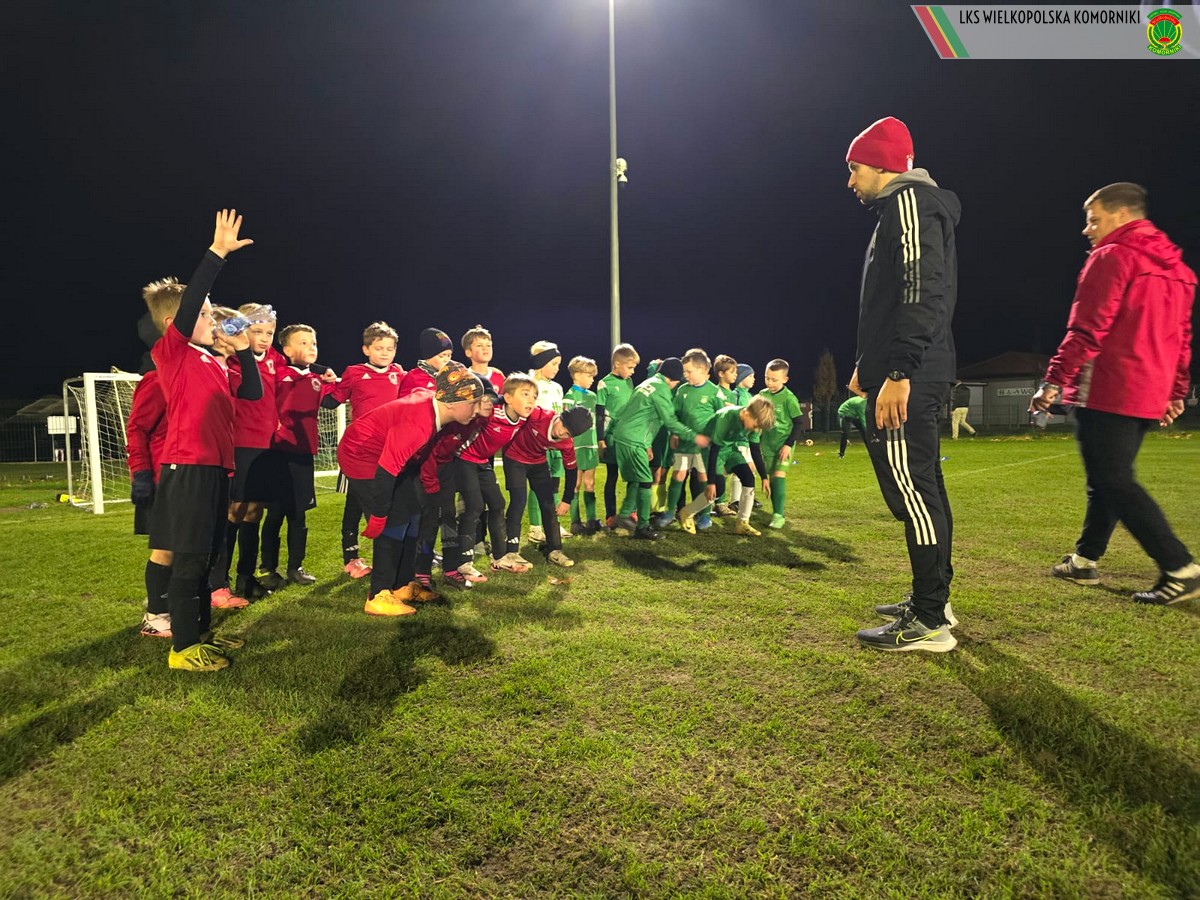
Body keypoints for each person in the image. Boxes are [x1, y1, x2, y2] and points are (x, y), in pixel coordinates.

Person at [1031, 182, 1199, 606]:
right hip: (1149, 391)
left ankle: (1179, 567)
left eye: (1094, 220)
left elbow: (1088, 327)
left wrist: (1053, 380)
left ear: (1122, 215)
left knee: (1113, 480)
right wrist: (1176, 391)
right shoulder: (1179, 270)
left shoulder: (1112, 256)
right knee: (1107, 478)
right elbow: (1182, 337)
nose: (1087, 230)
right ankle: (1084, 560)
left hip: (1109, 386)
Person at [844, 116, 960, 653]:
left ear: (883, 165)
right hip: (908, 369)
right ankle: (934, 600)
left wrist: (898, 372)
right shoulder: (905, 208)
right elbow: (893, 302)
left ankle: (930, 620)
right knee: (924, 487)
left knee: (913, 494)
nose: (850, 180)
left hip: (911, 375)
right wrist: (868, 364)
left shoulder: (909, 203)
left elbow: (920, 290)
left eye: (855, 168)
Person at [149, 209, 259, 672]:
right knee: (190, 560)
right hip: (188, 467)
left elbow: (251, 393)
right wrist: (216, 254)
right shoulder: (173, 352)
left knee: (209, 555)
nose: (214, 320)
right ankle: (182, 647)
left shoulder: (212, 360)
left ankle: (201, 633)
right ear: (176, 321)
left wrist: (245, 352)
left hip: (215, 469)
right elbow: (193, 300)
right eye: (207, 314)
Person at [352, 362, 483, 615]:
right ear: (452, 402)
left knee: (413, 516)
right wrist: (379, 514)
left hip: (387, 458)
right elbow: (386, 471)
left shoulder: (436, 407)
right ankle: (378, 594)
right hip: (362, 456)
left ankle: (402, 585)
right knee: (394, 521)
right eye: (473, 403)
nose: (477, 410)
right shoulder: (418, 422)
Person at [257, 324, 337, 589]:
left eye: (313, 343)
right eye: (302, 343)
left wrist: (327, 375)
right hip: (278, 453)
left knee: (298, 514)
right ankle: (267, 568)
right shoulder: (278, 374)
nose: (310, 347)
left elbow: (332, 399)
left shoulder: (316, 379)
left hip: (304, 454)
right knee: (275, 513)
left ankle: (295, 567)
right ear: (287, 350)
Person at [326, 321, 405, 578]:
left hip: (388, 450)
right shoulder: (354, 372)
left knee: (390, 501)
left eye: (390, 348)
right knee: (355, 504)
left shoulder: (399, 374)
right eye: (379, 348)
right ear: (366, 349)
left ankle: (401, 552)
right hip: (358, 451)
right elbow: (332, 401)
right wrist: (322, 380)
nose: (385, 353)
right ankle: (351, 558)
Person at [443, 373, 537, 585]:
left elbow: (546, 418)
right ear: (508, 398)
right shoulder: (492, 412)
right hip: (463, 459)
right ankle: (463, 562)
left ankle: (499, 558)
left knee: (497, 504)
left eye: (534, 396)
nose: (531, 400)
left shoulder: (525, 417)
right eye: (525, 394)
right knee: (474, 506)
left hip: (483, 462)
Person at [610, 357, 710, 540]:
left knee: (637, 479)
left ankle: (624, 515)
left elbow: (636, 413)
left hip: (625, 437)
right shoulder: (662, 389)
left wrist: (647, 444)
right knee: (646, 480)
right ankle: (642, 526)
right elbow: (670, 421)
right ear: (672, 378)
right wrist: (695, 436)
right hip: (634, 439)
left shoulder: (646, 384)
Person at [127, 278, 177, 638]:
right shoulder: (157, 379)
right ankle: (156, 615)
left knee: (186, 547)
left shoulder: (189, 371)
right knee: (166, 548)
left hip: (187, 475)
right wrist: (142, 475)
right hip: (163, 479)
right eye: (202, 314)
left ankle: (176, 605)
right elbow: (137, 430)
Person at [503, 405, 592, 567]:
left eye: (568, 434)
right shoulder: (537, 415)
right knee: (518, 501)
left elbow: (571, 470)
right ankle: (510, 552)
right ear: (560, 417)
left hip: (538, 462)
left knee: (548, 504)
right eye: (564, 427)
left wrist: (566, 500)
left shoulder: (566, 443)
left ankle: (555, 550)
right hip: (514, 458)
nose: (562, 433)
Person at [677, 397, 775, 536]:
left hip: (730, 450)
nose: (756, 429)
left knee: (749, 478)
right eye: (755, 426)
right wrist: (711, 482)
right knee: (717, 489)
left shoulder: (754, 422)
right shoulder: (726, 417)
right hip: (711, 450)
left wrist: (764, 477)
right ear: (747, 413)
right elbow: (714, 449)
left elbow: (755, 449)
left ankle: (743, 522)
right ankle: (686, 513)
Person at [654, 349, 720, 530]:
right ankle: (670, 512)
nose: (685, 375)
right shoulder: (682, 390)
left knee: (704, 477)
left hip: (704, 446)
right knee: (678, 475)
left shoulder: (714, 392)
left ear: (702, 369)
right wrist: (675, 434)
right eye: (685, 372)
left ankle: (705, 515)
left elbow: (720, 417)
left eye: (689, 371)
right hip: (684, 443)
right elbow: (674, 414)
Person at [756, 359, 805, 529]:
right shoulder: (762, 394)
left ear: (785, 379)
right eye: (767, 378)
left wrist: (788, 444)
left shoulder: (789, 398)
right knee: (772, 479)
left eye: (774, 380)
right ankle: (775, 511)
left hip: (784, 444)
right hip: (767, 444)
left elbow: (799, 422)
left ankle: (779, 515)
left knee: (778, 475)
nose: (770, 383)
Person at [595, 343, 640, 526]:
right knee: (612, 476)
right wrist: (600, 439)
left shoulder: (629, 382)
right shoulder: (604, 383)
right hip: (612, 438)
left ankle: (631, 512)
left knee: (633, 474)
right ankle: (611, 515)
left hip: (629, 437)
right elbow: (599, 414)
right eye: (630, 367)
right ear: (617, 364)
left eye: (634, 368)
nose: (632, 371)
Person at [525, 342, 565, 544]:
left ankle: (553, 523)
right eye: (554, 363)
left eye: (558, 364)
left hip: (557, 444)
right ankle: (535, 527)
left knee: (554, 484)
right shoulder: (531, 386)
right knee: (538, 486)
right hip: (539, 446)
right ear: (542, 362)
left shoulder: (557, 388)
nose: (557, 368)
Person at [563, 356, 602, 535]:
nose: (592, 379)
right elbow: (565, 422)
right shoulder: (570, 397)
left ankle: (592, 520)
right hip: (576, 446)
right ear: (577, 375)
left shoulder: (592, 396)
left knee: (590, 483)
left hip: (590, 445)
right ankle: (575, 522)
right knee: (576, 483)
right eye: (589, 375)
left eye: (593, 376)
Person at [398, 328, 454, 396]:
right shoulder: (413, 377)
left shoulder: (452, 377)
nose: (446, 360)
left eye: (449, 355)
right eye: (442, 356)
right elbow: (402, 401)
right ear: (429, 356)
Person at [462, 324, 506, 395]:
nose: (485, 348)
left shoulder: (498, 376)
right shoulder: (463, 378)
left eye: (488, 345)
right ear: (468, 352)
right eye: (479, 345)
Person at [837, 393, 868, 458]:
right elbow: (862, 417)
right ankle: (841, 454)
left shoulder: (865, 402)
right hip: (844, 414)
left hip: (853, 415)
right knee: (845, 433)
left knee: (864, 432)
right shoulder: (861, 404)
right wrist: (866, 427)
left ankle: (871, 451)